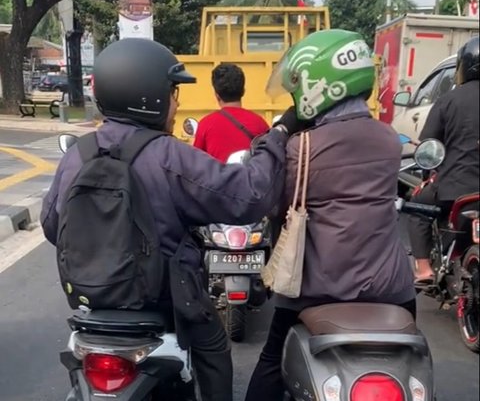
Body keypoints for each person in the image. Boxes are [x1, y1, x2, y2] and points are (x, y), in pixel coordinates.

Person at [40, 38, 302, 401]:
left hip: (93, 307)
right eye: (173, 91)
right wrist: (277, 135)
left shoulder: (77, 156)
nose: (176, 102)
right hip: (167, 303)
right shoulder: (168, 156)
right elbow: (247, 197)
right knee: (214, 350)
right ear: (149, 95)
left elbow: (53, 227)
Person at [245, 29, 416, 401]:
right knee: (413, 358)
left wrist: (279, 130)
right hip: (392, 290)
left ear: (318, 86)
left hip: (316, 291)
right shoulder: (389, 140)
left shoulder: (299, 148)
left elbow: (264, 197)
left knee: (272, 360)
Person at [408, 36, 480, 286]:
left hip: (454, 189)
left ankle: (425, 270)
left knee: (417, 207)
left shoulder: (449, 99)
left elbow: (429, 143)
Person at [193, 63, 270, 162]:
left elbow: (196, 163)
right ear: (243, 91)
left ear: (217, 95)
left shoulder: (205, 125)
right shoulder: (260, 123)